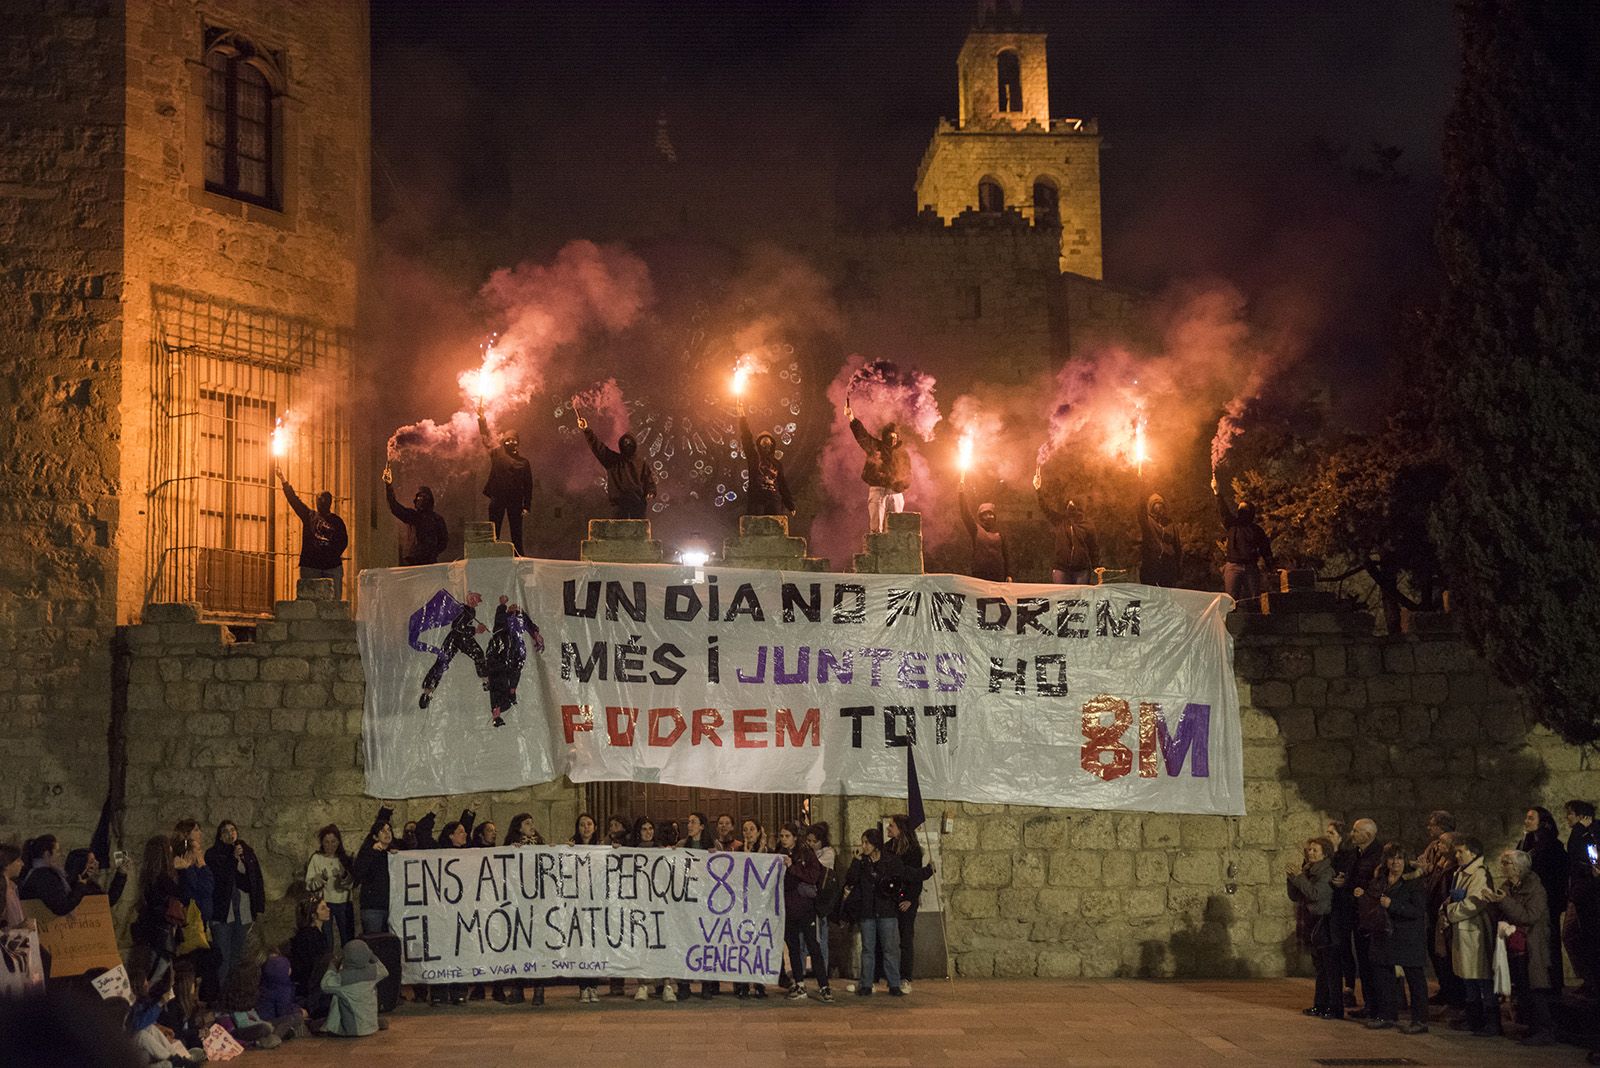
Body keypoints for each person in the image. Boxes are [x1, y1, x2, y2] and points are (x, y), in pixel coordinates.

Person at [1357, 843, 1429, 1033]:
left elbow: (1418, 910)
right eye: (1392, 858)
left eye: (1399, 858)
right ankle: (1387, 1014)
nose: (1395, 862)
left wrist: (1393, 905)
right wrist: (1364, 897)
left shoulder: (1413, 883)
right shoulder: (1380, 880)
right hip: (1383, 933)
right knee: (1383, 975)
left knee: (1415, 978)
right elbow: (1373, 901)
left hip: (1407, 935)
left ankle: (1420, 1020)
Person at [1487, 849, 1556, 1046]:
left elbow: (1529, 916)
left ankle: (1545, 1029)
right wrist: (1493, 902)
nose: (1503, 867)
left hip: (1532, 945)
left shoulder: (1535, 889)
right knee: (1523, 988)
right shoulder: (1508, 887)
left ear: (1518, 867)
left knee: (1535, 989)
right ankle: (1533, 1028)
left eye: (1506, 863)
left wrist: (1504, 901)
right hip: (1514, 945)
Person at [204, 821, 265, 1006]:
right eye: (225, 831)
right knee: (223, 957)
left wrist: (259, 907)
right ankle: (222, 1000)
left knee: (237, 957)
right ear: (219, 835)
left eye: (233, 830)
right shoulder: (214, 854)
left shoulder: (246, 852)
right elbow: (221, 878)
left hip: (243, 912)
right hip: (223, 913)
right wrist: (232, 859)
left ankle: (235, 999)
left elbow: (253, 880)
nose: (230, 834)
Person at [1443, 834, 1498, 1036]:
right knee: (1468, 977)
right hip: (1463, 931)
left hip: (1474, 932)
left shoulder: (1479, 874)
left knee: (1481, 977)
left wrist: (1450, 912)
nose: (1457, 855)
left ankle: (1490, 1021)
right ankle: (1474, 1018)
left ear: (1473, 853)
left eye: (1460, 851)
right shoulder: (1462, 872)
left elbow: (1475, 902)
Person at [845, 828, 906, 996]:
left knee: (890, 949)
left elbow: (899, 883)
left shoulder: (891, 861)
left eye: (867, 843)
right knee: (868, 949)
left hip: (886, 911)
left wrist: (900, 899)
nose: (863, 846)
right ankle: (866, 984)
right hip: (867, 911)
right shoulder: (862, 862)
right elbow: (850, 880)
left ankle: (894, 984)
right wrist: (856, 861)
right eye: (862, 842)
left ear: (875, 844)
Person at [574, 399, 656, 520]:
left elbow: (649, 480)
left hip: (637, 504)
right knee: (619, 535)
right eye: (625, 443)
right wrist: (586, 430)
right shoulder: (613, 461)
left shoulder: (640, 463)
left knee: (637, 535)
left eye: (629, 443)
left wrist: (651, 491)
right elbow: (598, 447)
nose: (627, 445)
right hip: (619, 505)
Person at [776, 822, 831, 1002]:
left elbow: (812, 876)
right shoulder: (778, 853)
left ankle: (824, 985)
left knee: (813, 947)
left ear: (794, 837)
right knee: (793, 948)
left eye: (787, 836)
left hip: (805, 908)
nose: (784, 839)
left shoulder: (806, 854)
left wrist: (792, 866)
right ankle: (799, 983)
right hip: (788, 909)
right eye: (782, 836)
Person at [1286, 836, 1339, 1019]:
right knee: (1320, 967)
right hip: (1311, 921)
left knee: (1329, 967)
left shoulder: (1326, 872)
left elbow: (1315, 894)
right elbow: (1295, 895)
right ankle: (1320, 1004)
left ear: (1325, 853)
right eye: (1309, 850)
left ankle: (1334, 1007)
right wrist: (1291, 878)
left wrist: (1299, 878)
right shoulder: (1308, 871)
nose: (1310, 853)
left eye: (1315, 850)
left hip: (1323, 922)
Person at [1334, 818, 1382, 1017]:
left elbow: (1376, 882)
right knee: (1363, 960)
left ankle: (1376, 1007)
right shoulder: (1356, 853)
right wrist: (1344, 882)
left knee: (1371, 962)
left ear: (1368, 836)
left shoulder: (1377, 856)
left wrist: (1359, 890)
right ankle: (1369, 1004)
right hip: (1356, 913)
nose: (1351, 834)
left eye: (1356, 831)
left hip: (1369, 914)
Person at [627, 817, 677, 1003]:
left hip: (659, 904)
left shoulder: (661, 851)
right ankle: (642, 984)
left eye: (650, 828)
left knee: (661, 943)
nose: (647, 832)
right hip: (640, 904)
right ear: (638, 832)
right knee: (642, 944)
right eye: (644, 829)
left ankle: (667, 985)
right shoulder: (630, 852)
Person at [1517, 806, 1567, 991]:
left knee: (1549, 943)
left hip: (1546, 903)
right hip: (1531, 902)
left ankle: (1553, 984)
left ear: (1542, 822)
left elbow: (1555, 877)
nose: (1526, 821)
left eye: (1531, 818)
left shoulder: (1552, 848)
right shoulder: (1527, 842)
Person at [1419, 811, 1463, 1009]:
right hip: (1433, 910)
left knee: (1446, 954)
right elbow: (1423, 863)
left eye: (1432, 824)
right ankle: (1446, 989)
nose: (1429, 828)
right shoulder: (1433, 849)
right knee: (1436, 952)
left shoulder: (1453, 866)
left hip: (1444, 913)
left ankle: (1454, 996)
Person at [1211, 472, 1275, 607]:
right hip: (1233, 567)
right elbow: (1223, 511)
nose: (1241, 512)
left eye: (1244, 509)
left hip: (1251, 567)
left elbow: (1266, 549)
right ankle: (1231, 626)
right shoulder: (1232, 525)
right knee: (1230, 601)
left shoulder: (1256, 530)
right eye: (1240, 509)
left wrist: (1271, 566)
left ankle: (1254, 625)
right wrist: (1217, 492)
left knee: (1254, 600)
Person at [477, 403, 534, 554]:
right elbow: (486, 438)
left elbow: (529, 485)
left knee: (517, 532)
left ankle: (519, 557)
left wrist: (527, 505)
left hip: (515, 500)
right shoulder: (497, 454)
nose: (510, 442)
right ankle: (491, 556)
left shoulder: (524, 462)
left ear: (518, 442)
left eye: (513, 440)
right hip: (497, 497)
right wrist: (482, 419)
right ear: (504, 442)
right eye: (507, 440)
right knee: (493, 530)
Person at [846, 403, 911, 534]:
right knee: (876, 530)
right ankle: (877, 553)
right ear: (885, 436)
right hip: (878, 491)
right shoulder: (876, 446)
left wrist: (899, 485)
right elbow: (862, 436)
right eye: (890, 436)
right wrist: (851, 417)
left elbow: (908, 474)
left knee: (896, 529)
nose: (893, 439)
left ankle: (894, 554)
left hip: (896, 493)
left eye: (895, 437)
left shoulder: (903, 453)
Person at [129, 835, 183, 991]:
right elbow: (181, 893)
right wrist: (182, 870)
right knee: (157, 972)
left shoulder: (148, 877)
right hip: (161, 933)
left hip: (150, 931)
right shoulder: (164, 879)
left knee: (152, 969)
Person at [277, 469, 348, 586]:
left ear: (329, 502)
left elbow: (343, 542)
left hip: (329, 567)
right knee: (310, 598)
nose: (321, 502)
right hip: (312, 566)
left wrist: (330, 556)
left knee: (332, 602)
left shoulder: (336, 521)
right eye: (319, 499)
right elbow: (294, 501)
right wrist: (283, 481)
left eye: (323, 500)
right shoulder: (310, 516)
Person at [886, 814, 927, 993]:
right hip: (889, 898)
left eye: (892, 826)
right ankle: (887, 976)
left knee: (905, 939)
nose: (888, 829)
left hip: (906, 900)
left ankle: (905, 977)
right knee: (888, 939)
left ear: (901, 829)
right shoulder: (888, 848)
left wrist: (910, 898)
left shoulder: (913, 851)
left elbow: (915, 877)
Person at [1034, 470, 1098, 584]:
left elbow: (1093, 548)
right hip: (1061, 568)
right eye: (1069, 503)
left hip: (1081, 570)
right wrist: (1038, 490)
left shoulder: (1087, 524)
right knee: (1062, 599)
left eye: (1073, 503)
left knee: (1080, 599)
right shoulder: (1060, 521)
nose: (1070, 504)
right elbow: (1045, 508)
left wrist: (1096, 567)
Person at [319, 939, 389, 1037]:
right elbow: (384, 971)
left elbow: (324, 985)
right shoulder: (373, 971)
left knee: (337, 996)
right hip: (372, 1026)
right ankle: (372, 1023)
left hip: (352, 1029)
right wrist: (371, 955)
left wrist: (332, 966)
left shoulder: (343, 978)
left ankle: (329, 1026)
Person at [1564, 800, 1599, 996]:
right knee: (1574, 936)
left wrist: (1579, 830)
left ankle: (1592, 982)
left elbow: (1581, 857)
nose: (1567, 818)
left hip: (1587, 895)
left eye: (1570, 814)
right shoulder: (1581, 832)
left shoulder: (1585, 833)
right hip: (1579, 893)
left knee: (1583, 937)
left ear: (1582, 816)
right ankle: (1589, 980)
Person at [382, 465, 449, 566]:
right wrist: (388, 486)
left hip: (429, 561)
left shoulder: (437, 519)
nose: (420, 499)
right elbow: (395, 507)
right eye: (419, 497)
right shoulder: (413, 516)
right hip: (413, 561)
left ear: (429, 500)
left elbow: (443, 541)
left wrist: (431, 552)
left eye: (423, 497)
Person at [737, 403, 794, 518]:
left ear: (772, 444)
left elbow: (782, 484)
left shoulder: (777, 464)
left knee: (775, 528)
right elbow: (747, 440)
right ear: (759, 444)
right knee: (756, 529)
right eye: (763, 441)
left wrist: (790, 504)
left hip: (774, 501)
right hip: (757, 500)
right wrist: (742, 418)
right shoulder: (754, 458)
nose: (766, 442)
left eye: (768, 441)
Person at [305, 824, 354, 947]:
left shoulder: (345, 858)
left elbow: (352, 883)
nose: (330, 846)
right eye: (326, 842)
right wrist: (322, 879)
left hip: (343, 902)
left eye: (333, 842)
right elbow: (309, 885)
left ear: (338, 842)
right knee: (327, 940)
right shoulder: (316, 858)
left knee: (347, 938)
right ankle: (328, 963)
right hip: (324, 903)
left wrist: (343, 876)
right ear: (322, 843)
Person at [18, 835, 88, 916]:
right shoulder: (44, 876)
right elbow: (61, 907)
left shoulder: (34, 871)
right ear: (47, 854)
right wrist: (80, 887)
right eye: (57, 851)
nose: (61, 855)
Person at [352, 809, 394, 937]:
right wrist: (372, 853)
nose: (387, 833)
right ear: (375, 837)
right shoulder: (367, 853)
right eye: (382, 831)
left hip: (391, 907)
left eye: (389, 830)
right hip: (372, 907)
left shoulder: (393, 854)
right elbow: (358, 873)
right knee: (374, 942)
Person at [958, 482, 1010, 582]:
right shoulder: (976, 530)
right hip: (980, 574)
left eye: (991, 514)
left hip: (998, 575)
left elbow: (1006, 555)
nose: (989, 516)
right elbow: (965, 515)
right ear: (981, 516)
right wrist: (961, 494)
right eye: (986, 514)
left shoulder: (1000, 533)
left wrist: (1008, 574)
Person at [807, 824, 837, 980]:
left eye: (814, 841)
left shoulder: (828, 853)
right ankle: (814, 966)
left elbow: (815, 869)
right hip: (809, 900)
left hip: (821, 901)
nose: (811, 844)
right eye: (809, 841)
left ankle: (823, 970)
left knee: (822, 937)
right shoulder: (810, 853)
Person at [1137, 491, 1182, 587]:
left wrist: (1178, 568)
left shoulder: (1171, 525)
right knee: (1153, 597)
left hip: (1169, 567)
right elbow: (1140, 510)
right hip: (1152, 567)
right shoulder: (1148, 522)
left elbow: (1177, 547)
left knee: (1168, 595)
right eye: (1155, 506)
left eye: (1161, 506)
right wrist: (1140, 483)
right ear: (1151, 508)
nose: (1159, 509)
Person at [1, 842, 24, 929]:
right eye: (18, 860)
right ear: (7, 864)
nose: (22, 864)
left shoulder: (11, 886)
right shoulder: (3, 887)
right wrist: (18, 927)